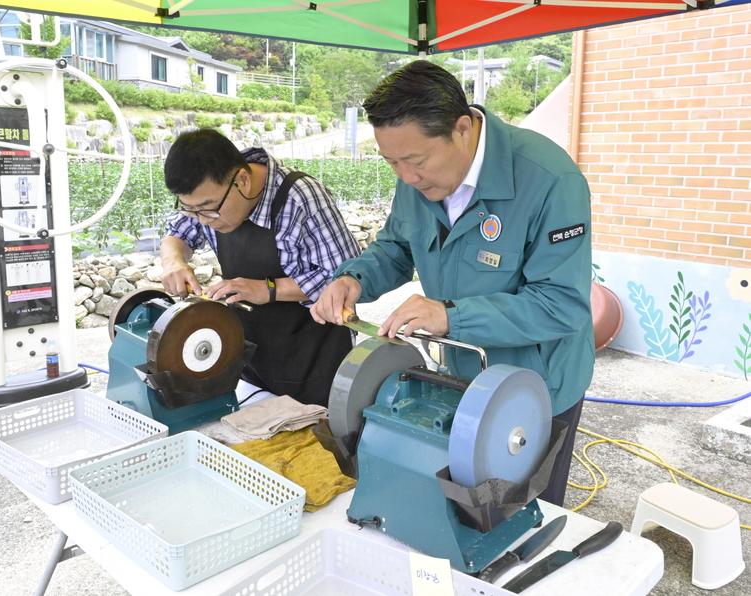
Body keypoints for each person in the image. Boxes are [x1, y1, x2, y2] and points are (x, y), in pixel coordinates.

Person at [310, 61, 594, 506]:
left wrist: (450, 316)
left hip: (535, 385)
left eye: (416, 161)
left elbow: (560, 304)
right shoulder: (416, 179)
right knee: (467, 503)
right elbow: (396, 247)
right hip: (461, 371)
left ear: (462, 128)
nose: (406, 176)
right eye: (391, 162)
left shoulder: (549, 181)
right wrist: (353, 279)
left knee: (519, 512)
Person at [161, 128, 361, 407]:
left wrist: (267, 289)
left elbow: (344, 277)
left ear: (241, 180)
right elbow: (178, 233)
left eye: (208, 209)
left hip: (316, 363)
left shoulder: (301, 197)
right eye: (190, 209)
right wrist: (173, 261)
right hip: (253, 361)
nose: (203, 221)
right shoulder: (207, 199)